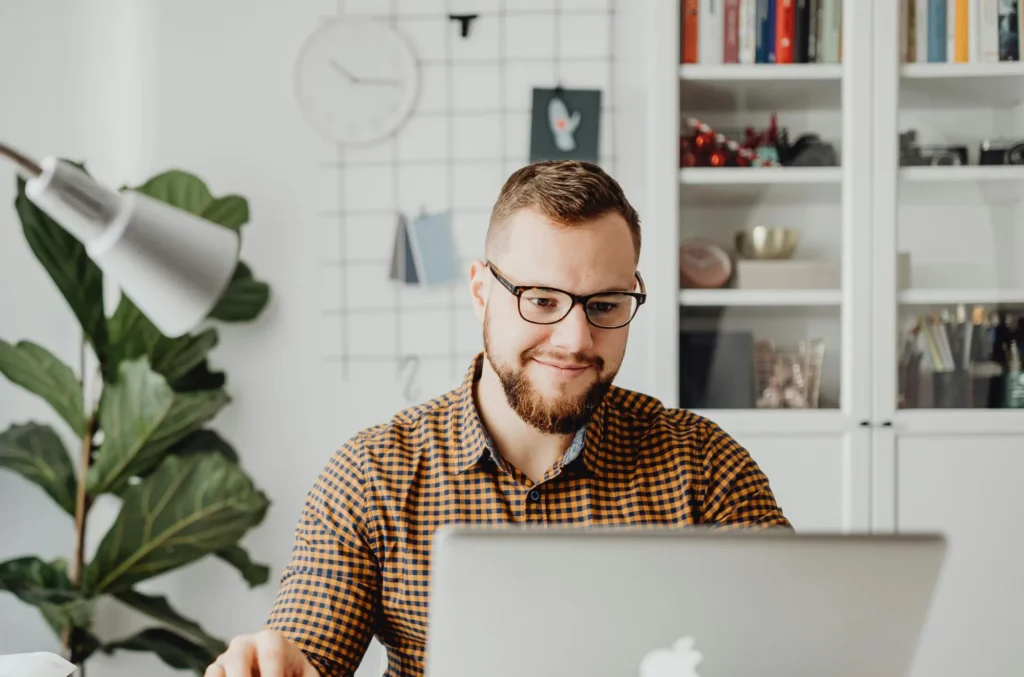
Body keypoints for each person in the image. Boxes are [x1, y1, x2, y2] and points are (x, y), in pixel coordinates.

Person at [204, 160, 790, 677]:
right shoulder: (374, 472)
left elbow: (798, 637)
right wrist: (270, 666)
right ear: (482, 290)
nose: (576, 339)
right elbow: (307, 650)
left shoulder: (703, 464)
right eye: (540, 300)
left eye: (606, 305)